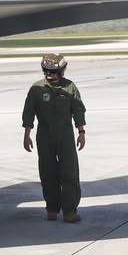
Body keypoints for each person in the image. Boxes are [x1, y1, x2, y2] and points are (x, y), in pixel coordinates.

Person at [22, 54, 86, 223]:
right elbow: (29, 113)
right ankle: (52, 208)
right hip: (44, 135)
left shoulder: (69, 87)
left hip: (65, 136)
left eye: (52, 71)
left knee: (69, 173)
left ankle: (69, 211)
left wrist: (81, 132)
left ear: (61, 71)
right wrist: (26, 135)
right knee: (47, 172)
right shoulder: (37, 88)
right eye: (46, 71)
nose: (49, 74)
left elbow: (78, 110)